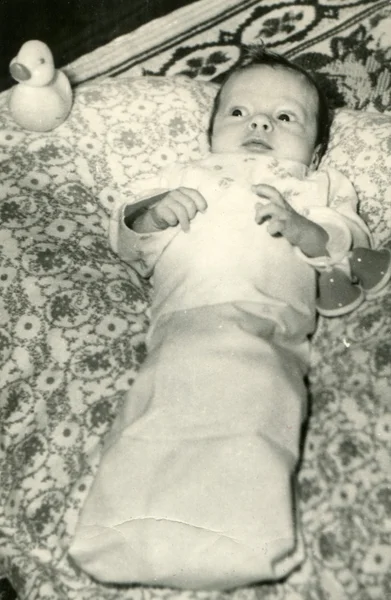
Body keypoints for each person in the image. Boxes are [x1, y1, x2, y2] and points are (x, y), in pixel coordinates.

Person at [69, 48, 372, 590]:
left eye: (285, 117)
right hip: (185, 320)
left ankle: (243, 535)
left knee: (256, 410)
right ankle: (121, 531)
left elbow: (347, 246)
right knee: (157, 409)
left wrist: (304, 228)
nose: (258, 123)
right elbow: (127, 239)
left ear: (317, 151)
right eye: (238, 113)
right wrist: (152, 213)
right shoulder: (186, 176)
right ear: (210, 132)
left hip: (268, 325)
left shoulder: (319, 188)